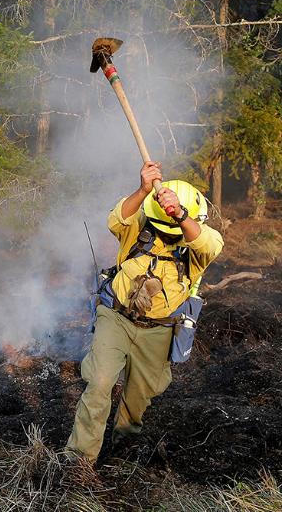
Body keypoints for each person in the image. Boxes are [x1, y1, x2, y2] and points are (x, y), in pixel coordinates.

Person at [66, 161, 224, 465]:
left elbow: (208, 244)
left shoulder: (199, 242)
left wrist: (179, 215)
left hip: (160, 330)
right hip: (116, 316)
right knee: (99, 382)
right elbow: (116, 220)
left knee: (138, 398)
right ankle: (78, 462)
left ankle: (123, 452)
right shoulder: (141, 224)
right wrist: (142, 188)